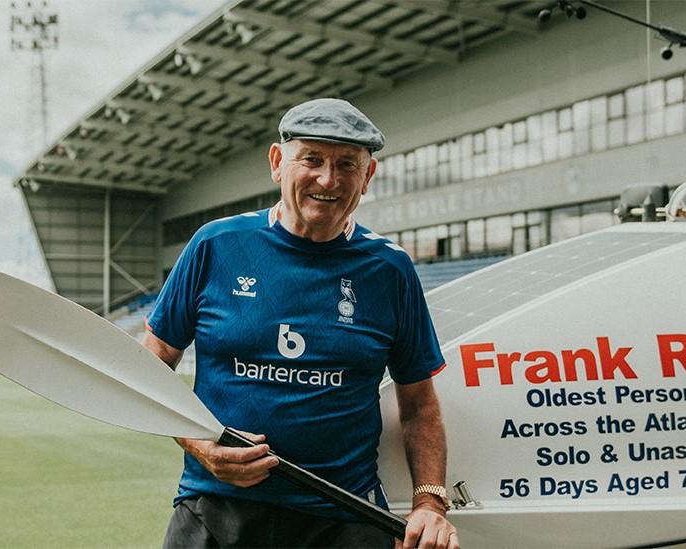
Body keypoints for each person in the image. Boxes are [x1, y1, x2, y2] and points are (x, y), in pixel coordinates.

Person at [143, 98, 459, 549]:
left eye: (346, 164)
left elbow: (419, 406)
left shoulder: (390, 270)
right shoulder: (214, 245)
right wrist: (198, 443)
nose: (327, 180)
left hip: (343, 517)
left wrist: (430, 504)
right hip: (215, 509)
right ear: (277, 162)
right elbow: (150, 366)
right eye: (311, 159)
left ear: (367, 177)